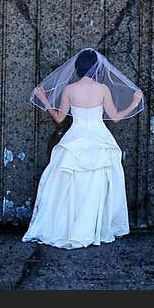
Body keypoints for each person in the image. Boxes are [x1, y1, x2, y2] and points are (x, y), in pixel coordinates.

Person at [21, 48, 143, 249]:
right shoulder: (103, 89)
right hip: (99, 139)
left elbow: (60, 119)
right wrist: (134, 102)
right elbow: (116, 117)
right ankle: (91, 228)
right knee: (95, 186)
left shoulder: (69, 89)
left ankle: (70, 229)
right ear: (97, 68)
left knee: (70, 187)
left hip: (74, 139)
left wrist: (43, 99)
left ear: (77, 68)